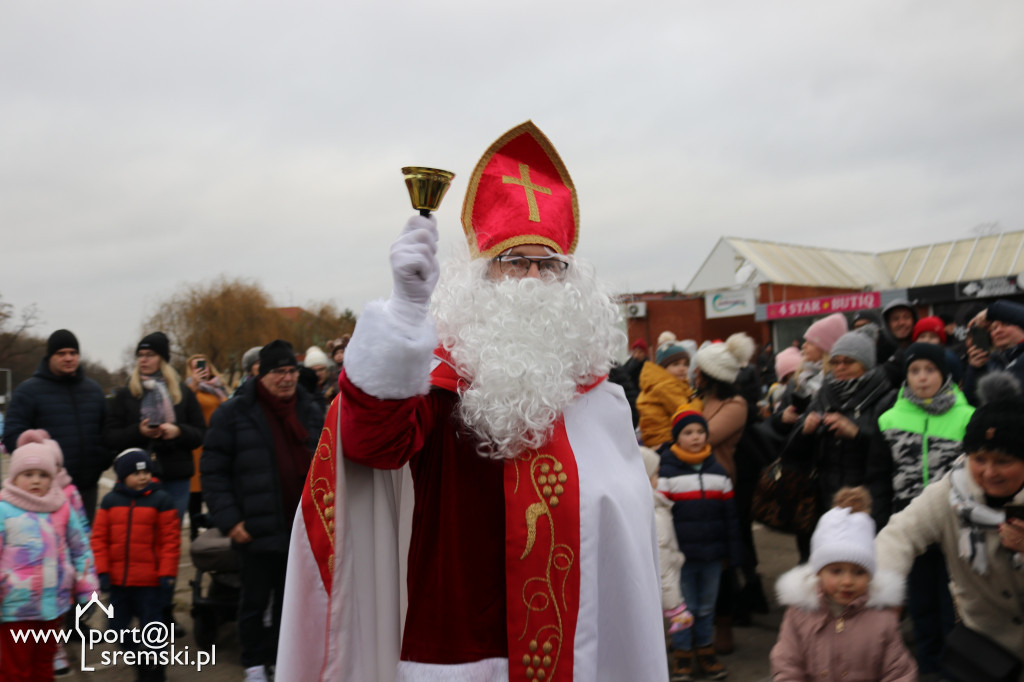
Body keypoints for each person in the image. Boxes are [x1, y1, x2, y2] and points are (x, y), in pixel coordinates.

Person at [278, 121, 667, 682]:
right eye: (515, 262)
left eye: (548, 264)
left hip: (581, 656)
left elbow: (623, 550)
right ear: (482, 277)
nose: (533, 279)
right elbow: (372, 444)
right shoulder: (439, 389)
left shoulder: (599, 400)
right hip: (457, 653)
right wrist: (404, 318)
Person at [875, 371, 1024, 675]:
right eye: (979, 458)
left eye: (1004, 461)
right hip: (984, 651)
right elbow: (899, 534)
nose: (989, 472)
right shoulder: (952, 493)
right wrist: (882, 595)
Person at [201, 340, 325, 682]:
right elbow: (214, 472)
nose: (286, 379)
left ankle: (283, 660)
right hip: (254, 529)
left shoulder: (310, 408)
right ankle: (254, 663)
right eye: (278, 372)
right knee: (255, 602)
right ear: (261, 374)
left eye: (290, 371)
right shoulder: (234, 413)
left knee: (293, 605)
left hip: (301, 528)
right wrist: (230, 521)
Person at [870, 343, 973, 675]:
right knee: (920, 601)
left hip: (954, 524)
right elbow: (879, 476)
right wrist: (881, 521)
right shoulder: (890, 418)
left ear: (944, 374)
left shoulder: (967, 416)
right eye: (915, 371)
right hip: (909, 523)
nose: (922, 378)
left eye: (930, 370)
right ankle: (929, 667)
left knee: (953, 603)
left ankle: (956, 669)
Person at [770, 487, 916, 681]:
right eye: (836, 571)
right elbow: (787, 666)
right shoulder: (799, 615)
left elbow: (899, 673)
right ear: (819, 572)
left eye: (858, 572)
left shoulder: (882, 620)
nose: (847, 582)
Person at [781, 329, 896, 561]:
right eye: (835, 362)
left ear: (866, 363)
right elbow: (791, 452)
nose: (840, 367)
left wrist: (856, 432)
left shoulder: (887, 397)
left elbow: (892, 450)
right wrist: (805, 431)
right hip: (825, 500)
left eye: (848, 362)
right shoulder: (824, 394)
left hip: (869, 501)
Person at [0, 431, 98, 682]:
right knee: (14, 668)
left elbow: (80, 548)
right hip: (14, 608)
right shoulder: (4, 508)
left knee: (44, 664)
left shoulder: (61, 507)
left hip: (53, 605)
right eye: (28, 474)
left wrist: (87, 588)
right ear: (15, 475)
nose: (36, 481)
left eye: (43, 475)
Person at [657, 410, 741, 681]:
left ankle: (705, 649)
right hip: (682, 557)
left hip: (713, 556)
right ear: (676, 437)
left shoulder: (718, 471)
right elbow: (661, 518)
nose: (695, 437)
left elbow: (730, 516)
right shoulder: (666, 474)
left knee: (706, 606)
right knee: (682, 606)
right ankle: (682, 653)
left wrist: (733, 552)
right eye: (688, 433)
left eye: (700, 432)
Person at [91, 449, 180, 682]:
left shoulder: (162, 500)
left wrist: (167, 574)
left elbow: (170, 542)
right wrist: (102, 571)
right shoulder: (110, 502)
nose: (142, 477)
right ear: (122, 476)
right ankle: (140, 660)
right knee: (116, 629)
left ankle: (155, 670)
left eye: (145, 471)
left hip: (150, 582)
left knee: (153, 630)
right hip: (119, 583)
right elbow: (99, 540)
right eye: (136, 472)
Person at [2, 329, 110, 522]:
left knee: (82, 545)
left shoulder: (93, 390)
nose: (68, 358)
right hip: (44, 492)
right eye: (61, 353)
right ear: (50, 356)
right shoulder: (28, 391)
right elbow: (12, 436)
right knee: (51, 548)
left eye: (73, 353)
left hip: (87, 487)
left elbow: (108, 430)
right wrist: (38, 460)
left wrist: (103, 459)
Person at [104, 332, 206, 521]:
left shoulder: (183, 393)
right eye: (140, 355)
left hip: (176, 475)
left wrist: (178, 431)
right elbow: (111, 436)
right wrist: (139, 431)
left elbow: (201, 434)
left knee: (169, 538)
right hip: (136, 478)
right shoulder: (126, 394)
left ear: (162, 359)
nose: (143, 360)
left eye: (149, 355)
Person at [640, 446, 693, 678]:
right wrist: (675, 607)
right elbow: (662, 565)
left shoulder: (649, 505)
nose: (658, 479)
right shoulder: (654, 512)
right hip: (660, 594)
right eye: (655, 474)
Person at [183, 354, 228, 540]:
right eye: (196, 367)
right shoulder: (188, 389)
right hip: (197, 446)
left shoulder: (218, 387)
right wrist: (192, 385)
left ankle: (217, 528)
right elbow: (183, 407)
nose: (202, 369)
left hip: (219, 441)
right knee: (195, 492)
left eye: (204, 365)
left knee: (217, 488)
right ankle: (194, 533)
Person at [637, 340, 702, 449]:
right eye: (675, 364)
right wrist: (697, 401)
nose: (682, 368)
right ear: (663, 368)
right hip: (665, 441)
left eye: (685, 364)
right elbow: (688, 413)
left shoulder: (660, 382)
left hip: (656, 440)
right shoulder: (666, 386)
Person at [962, 298, 1024, 405]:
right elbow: (971, 402)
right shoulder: (991, 362)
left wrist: (992, 311)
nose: (998, 331)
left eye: (1005, 324)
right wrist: (975, 369)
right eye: (993, 328)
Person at [911, 315, 963, 383]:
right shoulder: (911, 358)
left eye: (932, 337)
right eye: (922, 336)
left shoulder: (949, 359)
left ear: (940, 341)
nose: (927, 340)